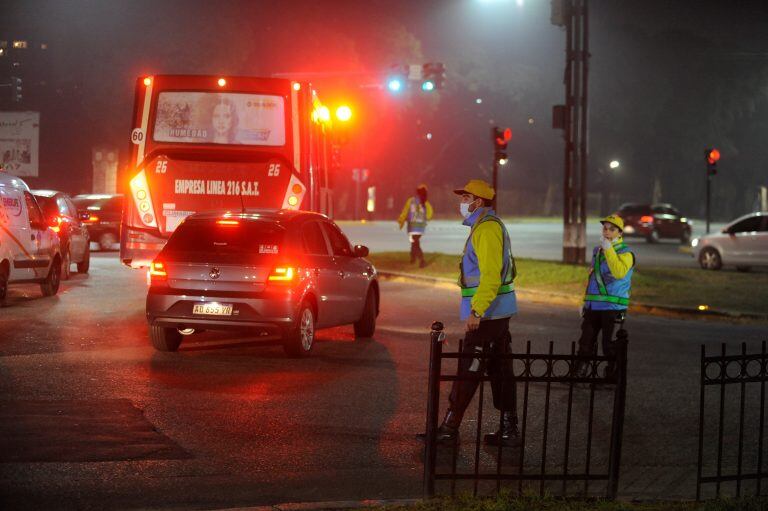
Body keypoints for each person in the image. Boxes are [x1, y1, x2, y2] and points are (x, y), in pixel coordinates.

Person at [418, 179, 520, 447]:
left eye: (466, 197)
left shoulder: (486, 230)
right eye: (462, 196)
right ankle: (509, 430)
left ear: (479, 201)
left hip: (489, 313)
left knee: (469, 368)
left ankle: (450, 428)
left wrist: (477, 310)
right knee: (500, 370)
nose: (461, 202)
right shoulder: (483, 226)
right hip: (497, 312)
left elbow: (490, 276)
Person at [574, 215, 635, 379]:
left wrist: (609, 249)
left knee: (609, 344)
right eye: (605, 228)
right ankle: (580, 371)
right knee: (585, 341)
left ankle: (613, 374)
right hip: (594, 306)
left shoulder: (627, 253)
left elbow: (619, 272)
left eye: (612, 229)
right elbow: (593, 277)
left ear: (620, 233)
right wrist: (585, 302)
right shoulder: (598, 251)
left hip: (615, 308)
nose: (607, 231)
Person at [397, 184, 433, 268]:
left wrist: (401, 220)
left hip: (412, 227)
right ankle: (412, 258)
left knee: (415, 243)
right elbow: (430, 213)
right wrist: (426, 218)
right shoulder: (425, 202)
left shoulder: (411, 201)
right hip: (421, 228)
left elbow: (405, 211)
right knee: (414, 242)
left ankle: (422, 260)